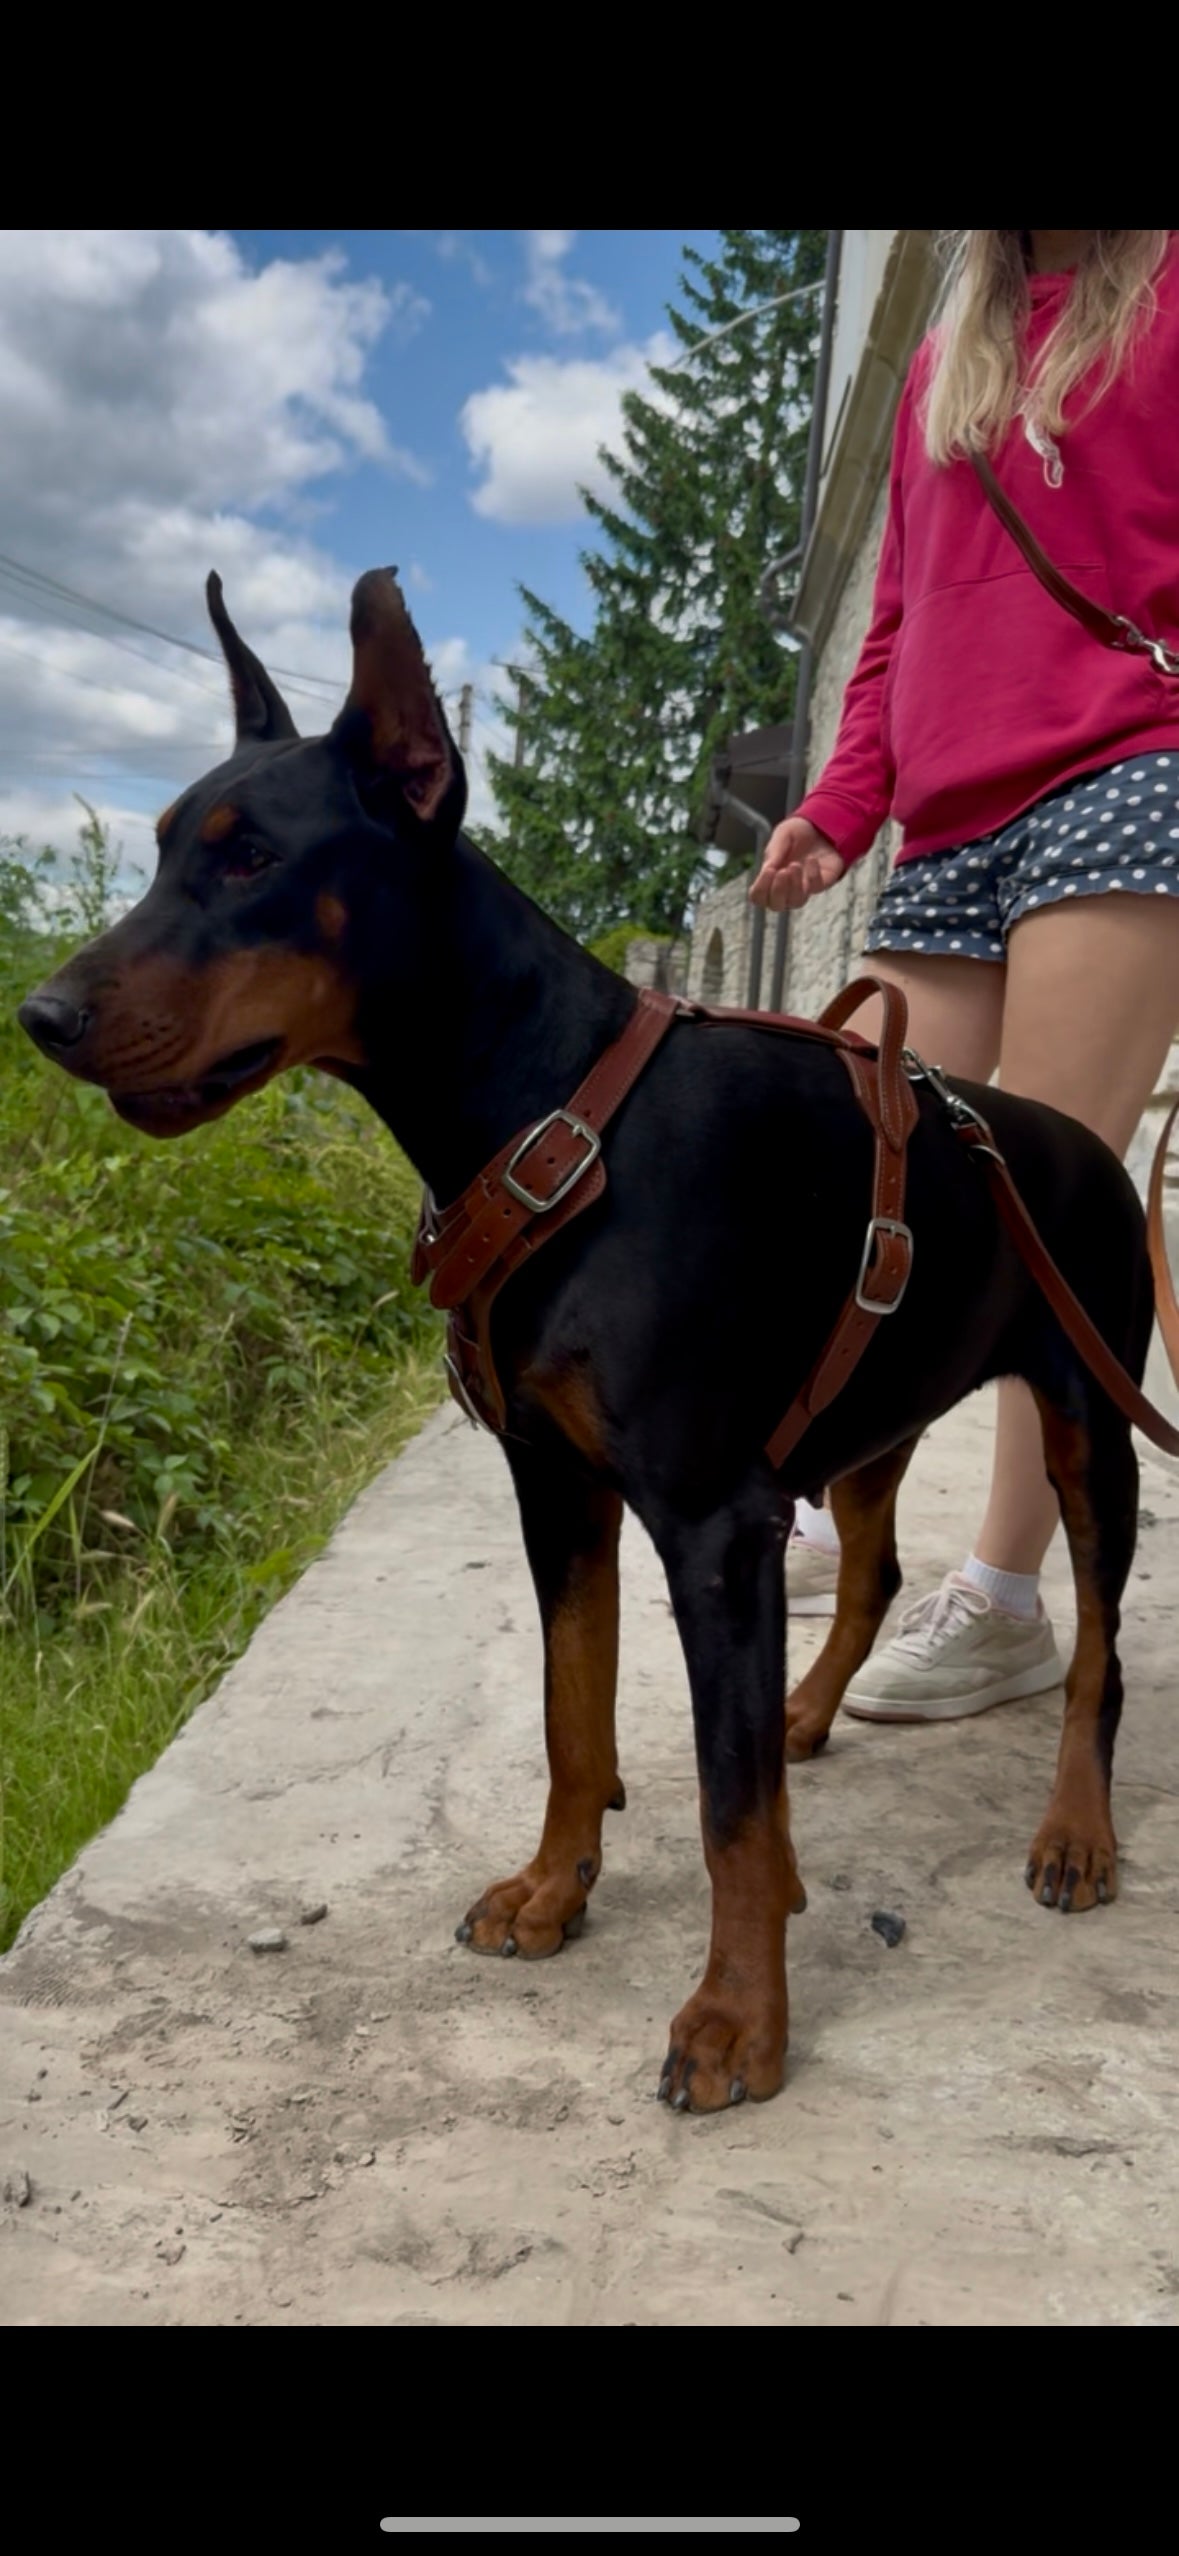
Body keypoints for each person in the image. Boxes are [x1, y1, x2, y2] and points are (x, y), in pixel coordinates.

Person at [751, 228, 1179, 1719]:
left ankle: (1001, 1594)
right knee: (852, 1172)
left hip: (1130, 772)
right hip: (948, 820)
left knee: (1040, 1215)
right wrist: (834, 807)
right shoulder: (944, 356)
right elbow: (892, 628)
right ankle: (820, 1503)